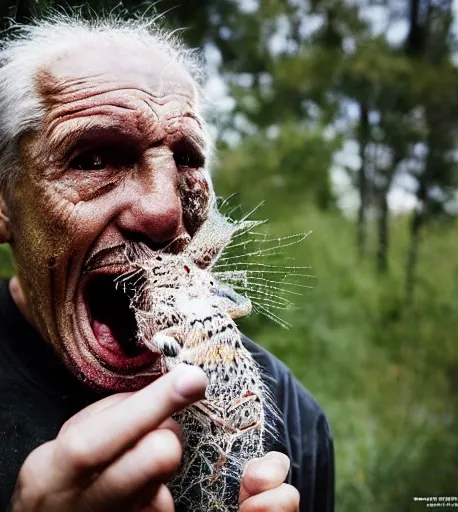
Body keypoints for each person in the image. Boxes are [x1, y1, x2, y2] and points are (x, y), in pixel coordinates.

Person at [0, 12, 335, 512]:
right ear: (6, 202)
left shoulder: (290, 416)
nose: (165, 212)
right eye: (94, 160)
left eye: (185, 160)